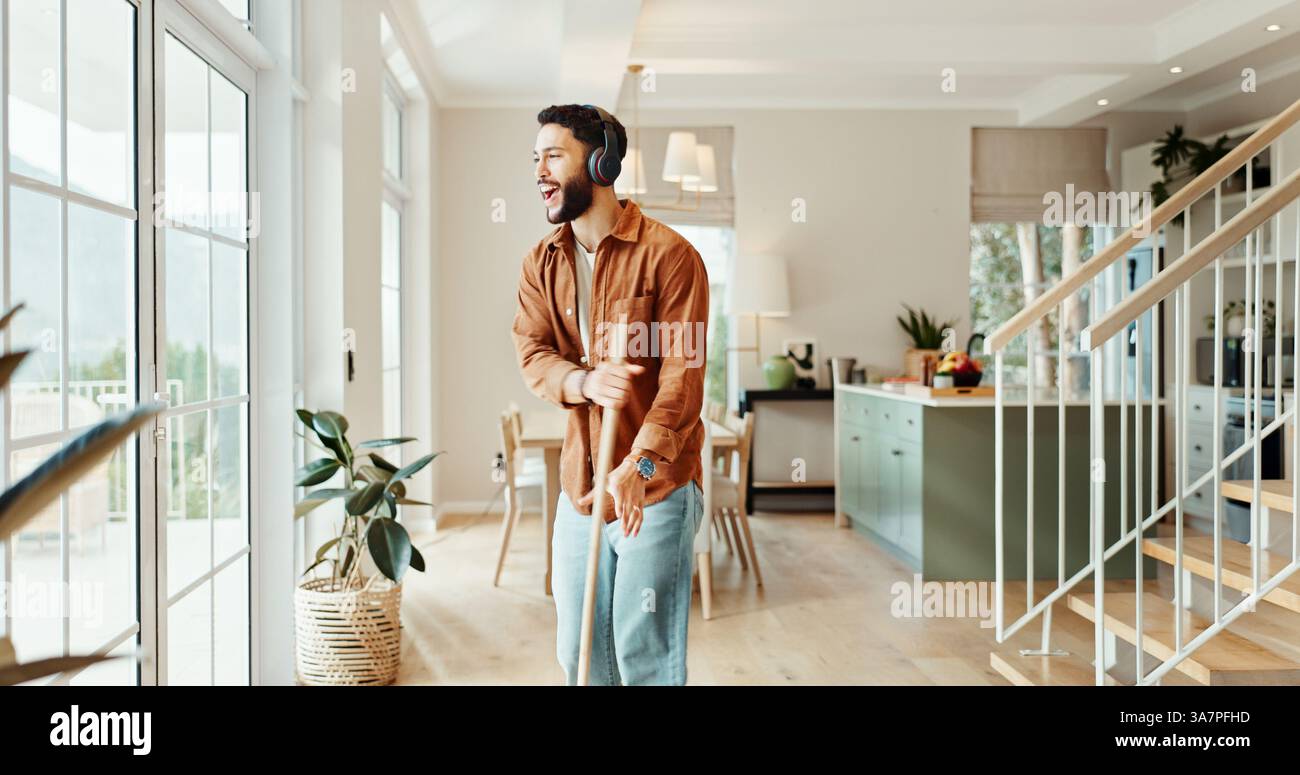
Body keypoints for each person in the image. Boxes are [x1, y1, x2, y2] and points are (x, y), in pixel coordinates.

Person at [511, 104, 710, 685]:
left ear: (602, 163)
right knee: (580, 654)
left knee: (641, 652)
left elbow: (683, 377)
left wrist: (638, 463)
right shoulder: (540, 265)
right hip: (581, 488)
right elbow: (533, 352)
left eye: (553, 156)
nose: (540, 172)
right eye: (535, 159)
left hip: (656, 487)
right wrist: (582, 381)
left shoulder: (670, 256)